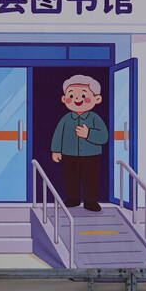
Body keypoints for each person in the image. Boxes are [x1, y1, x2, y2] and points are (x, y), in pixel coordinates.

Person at [49, 73, 109, 211]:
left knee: (91, 178)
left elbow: (104, 136)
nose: (77, 99)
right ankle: (73, 198)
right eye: (71, 95)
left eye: (83, 95)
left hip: (91, 155)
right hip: (69, 154)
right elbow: (58, 134)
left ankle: (90, 201)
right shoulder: (65, 119)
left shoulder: (94, 118)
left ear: (97, 99)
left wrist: (89, 134)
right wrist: (56, 150)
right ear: (64, 99)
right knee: (71, 178)